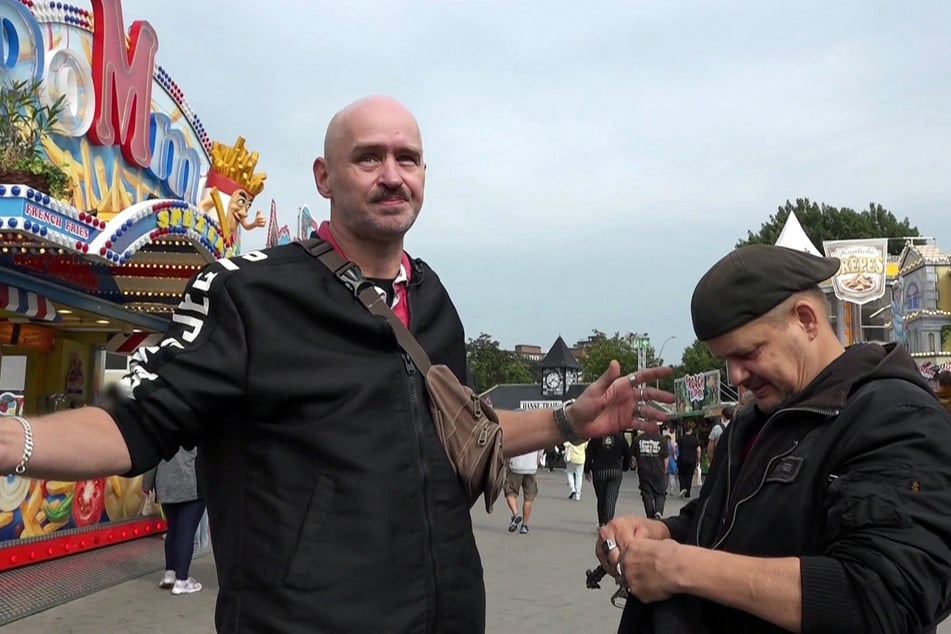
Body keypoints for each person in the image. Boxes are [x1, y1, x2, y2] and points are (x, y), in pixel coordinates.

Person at [0, 96, 674, 632]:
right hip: (303, 617)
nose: (391, 175)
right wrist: (15, 441)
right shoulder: (248, 291)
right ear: (324, 177)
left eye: (407, 159)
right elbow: (136, 421)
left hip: (446, 611)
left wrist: (568, 420)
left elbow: (463, 428)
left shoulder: (433, 298)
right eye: (368, 158)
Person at [597, 245, 951, 633]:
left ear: (806, 320)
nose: (735, 377)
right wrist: (662, 533)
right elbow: (719, 524)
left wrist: (679, 567)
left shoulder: (895, 416)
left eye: (747, 353)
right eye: (724, 360)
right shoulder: (752, 421)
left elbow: (885, 598)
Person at [143, 447, 205, 595]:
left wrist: (147, 483)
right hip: (191, 483)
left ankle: (169, 574)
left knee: (173, 530)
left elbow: (153, 454)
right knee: (186, 532)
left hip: (165, 485)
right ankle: (182, 580)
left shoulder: (165, 427)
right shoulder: (198, 427)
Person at [584, 431, 631, 526]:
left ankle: (602, 522)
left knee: (601, 498)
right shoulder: (620, 438)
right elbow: (628, 454)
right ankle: (608, 523)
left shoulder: (596, 437)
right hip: (615, 470)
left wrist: (587, 470)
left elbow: (589, 454)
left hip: (599, 470)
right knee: (611, 498)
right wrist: (625, 467)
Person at [632, 426, 668, 519]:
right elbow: (666, 457)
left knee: (647, 494)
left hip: (644, 471)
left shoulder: (637, 439)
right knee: (660, 493)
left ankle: (650, 516)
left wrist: (637, 467)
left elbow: (634, 458)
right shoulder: (662, 439)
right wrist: (665, 470)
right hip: (659, 471)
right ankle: (658, 511)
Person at [504, 449, 542, 534]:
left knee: (510, 492)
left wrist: (507, 460)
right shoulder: (536, 435)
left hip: (516, 465)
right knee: (529, 497)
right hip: (531, 466)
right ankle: (524, 525)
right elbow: (541, 451)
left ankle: (516, 513)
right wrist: (537, 462)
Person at [675, 423, 701, 498]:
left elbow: (675, 446)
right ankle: (688, 492)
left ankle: (683, 488)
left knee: (681, 474)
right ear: (691, 430)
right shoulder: (695, 439)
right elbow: (698, 450)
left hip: (682, 459)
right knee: (689, 476)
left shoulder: (680, 438)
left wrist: (675, 455)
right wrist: (698, 460)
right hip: (692, 460)